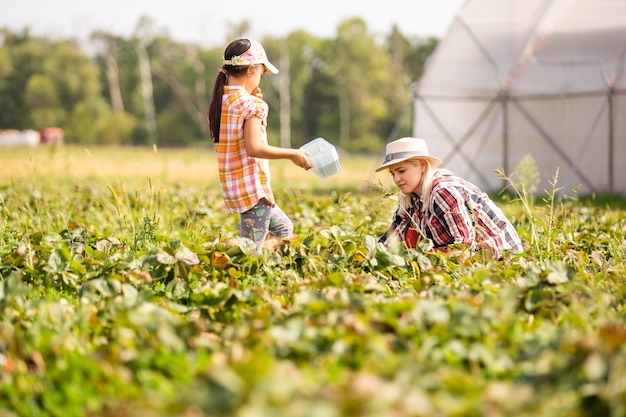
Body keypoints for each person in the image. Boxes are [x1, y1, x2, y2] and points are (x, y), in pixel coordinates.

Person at [207, 37, 313, 251]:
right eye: (261, 73)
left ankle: (228, 251)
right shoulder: (253, 105)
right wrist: (293, 154)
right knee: (251, 251)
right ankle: (220, 252)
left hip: (236, 185)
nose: (260, 79)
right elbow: (254, 147)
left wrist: (250, 96)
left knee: (284, 230)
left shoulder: (222, 100)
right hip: (252, 188)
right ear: (251, 70)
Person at [376, 137, 523, 259]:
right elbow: (395, 233)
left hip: (498, 255)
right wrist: (374, 255)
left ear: (421, 166)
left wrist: (426, 257)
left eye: (401, 171)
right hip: (460, 252)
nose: (396, 179)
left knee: (418, 253)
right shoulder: (411, 197)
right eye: (393, 173)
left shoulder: (443, 192)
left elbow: (464, 247)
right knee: (409, 233)